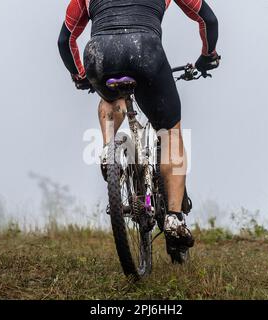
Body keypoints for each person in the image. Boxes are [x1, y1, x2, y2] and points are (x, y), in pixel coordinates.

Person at [58, 0, 220, 252]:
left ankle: (108, 149)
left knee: (111, 98)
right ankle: (174, 218)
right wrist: (207, 56)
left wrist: (80, 75)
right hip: (145, 51)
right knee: (170, 134)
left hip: (99, 54)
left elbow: (64, 40)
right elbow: (207, 19)